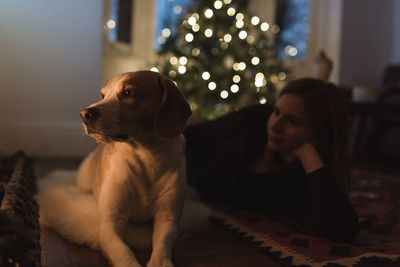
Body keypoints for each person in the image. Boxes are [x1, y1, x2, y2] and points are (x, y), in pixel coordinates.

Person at [184, 78, 360, 242]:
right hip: (185, 159)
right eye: (276, 112)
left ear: (320, 134)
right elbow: (193, 135)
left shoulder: (300, 184)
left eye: (293, 121)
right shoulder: (256, 120)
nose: (275, 125)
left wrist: (309, 155)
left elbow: (341, 229)